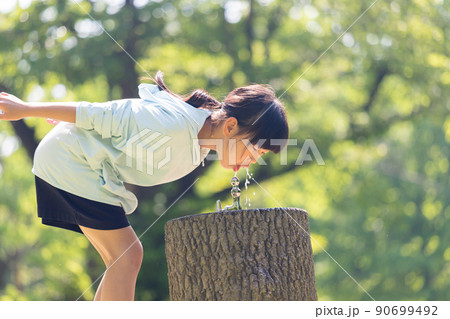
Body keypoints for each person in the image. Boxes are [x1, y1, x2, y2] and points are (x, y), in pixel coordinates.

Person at [0, 70, 289, 301]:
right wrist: (26, 109)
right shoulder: (173, 126)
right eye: (255, 151)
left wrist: (78, 127)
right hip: (72, 162)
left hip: (81, 164)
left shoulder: (197, 139)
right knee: (127, 256)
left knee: (120, 260)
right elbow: (100, 113)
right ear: (230, 127)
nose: (252, 161)